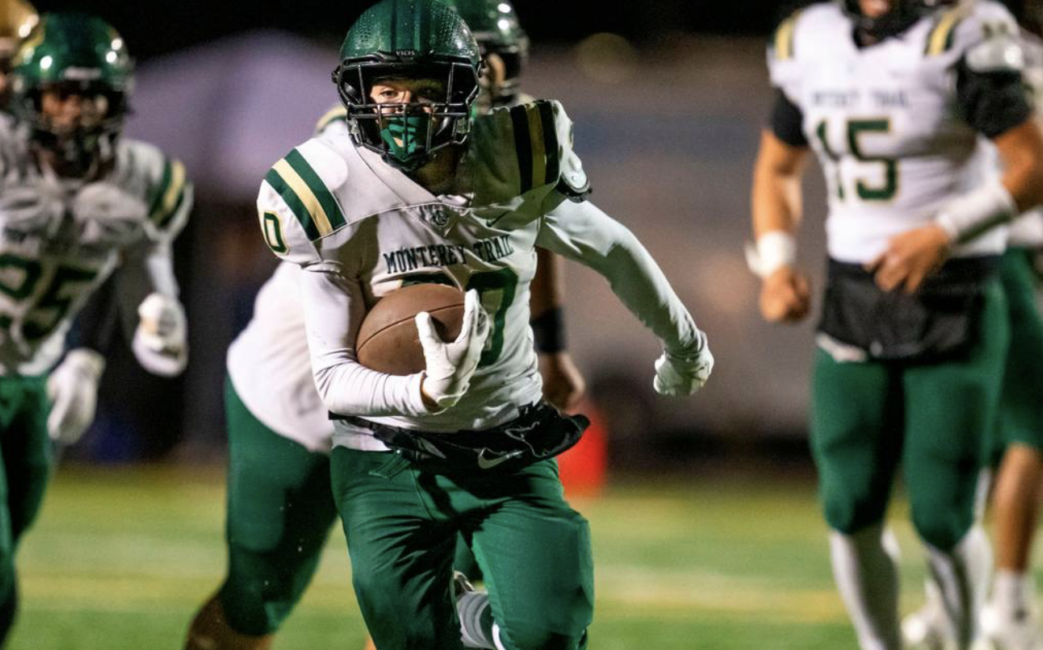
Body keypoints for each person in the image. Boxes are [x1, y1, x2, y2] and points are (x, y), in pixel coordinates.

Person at [260, 1, 712, 648]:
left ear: (464, 90)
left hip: (506, 441)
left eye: (425, 89)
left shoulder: (512, 157)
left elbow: (614, 250)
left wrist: (684, 343)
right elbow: (333, 377)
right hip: (386, 454)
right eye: (387, 90)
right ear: (357, 94)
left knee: (549, 635)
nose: (405, 108)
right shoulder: (329, 189)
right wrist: (417, 393)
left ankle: (480, 620)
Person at [182, 2, 587, 648]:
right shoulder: (358, 140)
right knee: (257, 599)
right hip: (300, 398)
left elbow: (538, 238)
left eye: (496, 66)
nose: (487, 86)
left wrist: (551, 346)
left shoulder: (516, 143)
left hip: (431, 417)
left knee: (428, 611)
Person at [751, 1, 1043, 649]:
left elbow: (1041, 170)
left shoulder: (958, 37)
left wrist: (944, 234)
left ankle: (973, 632)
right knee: (848, 506)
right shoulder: (809, 39)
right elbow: (778, 167)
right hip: (853, 295)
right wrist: (777, 263)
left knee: (944, 515)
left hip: (955, 293)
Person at [0, 12, 191, 649]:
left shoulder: (144, 181)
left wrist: (156, 325)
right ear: (32, 96)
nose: (75, 115)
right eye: (62, 95)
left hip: (29, 377)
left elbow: (151, 293)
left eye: (92, 98)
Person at [900, 2, 1043, 649]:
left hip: (987, 245)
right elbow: (1002, 150)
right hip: (988, 245)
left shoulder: (994, 28)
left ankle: (949, 604)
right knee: (1041, 426)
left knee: (968, 437)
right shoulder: (989, 29)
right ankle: (1009, 607)